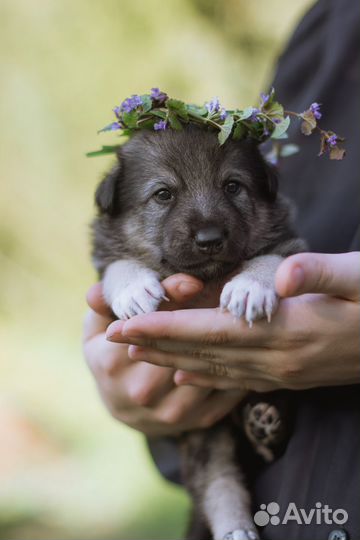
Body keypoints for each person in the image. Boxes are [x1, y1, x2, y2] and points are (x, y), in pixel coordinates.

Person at [83, 1, 360, 538]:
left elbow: (282, 245)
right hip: (281, 494)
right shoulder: (326, 28)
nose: (209, 228)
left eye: (233, 188)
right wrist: (143, 399)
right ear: (116, 206)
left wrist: (262, 278)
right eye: (163, 195)